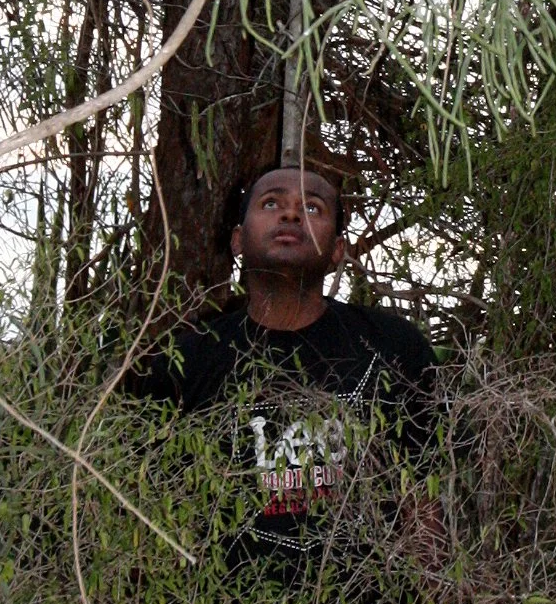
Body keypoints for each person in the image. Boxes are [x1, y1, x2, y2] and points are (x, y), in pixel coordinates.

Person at [130, 165, 439, 580]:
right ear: (238, 239)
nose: (290, 215)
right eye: (271, 203)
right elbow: (149, 513)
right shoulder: (186, 360)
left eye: (312, 208)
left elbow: (426, 501)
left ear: (336, 251)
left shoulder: (393, 347)